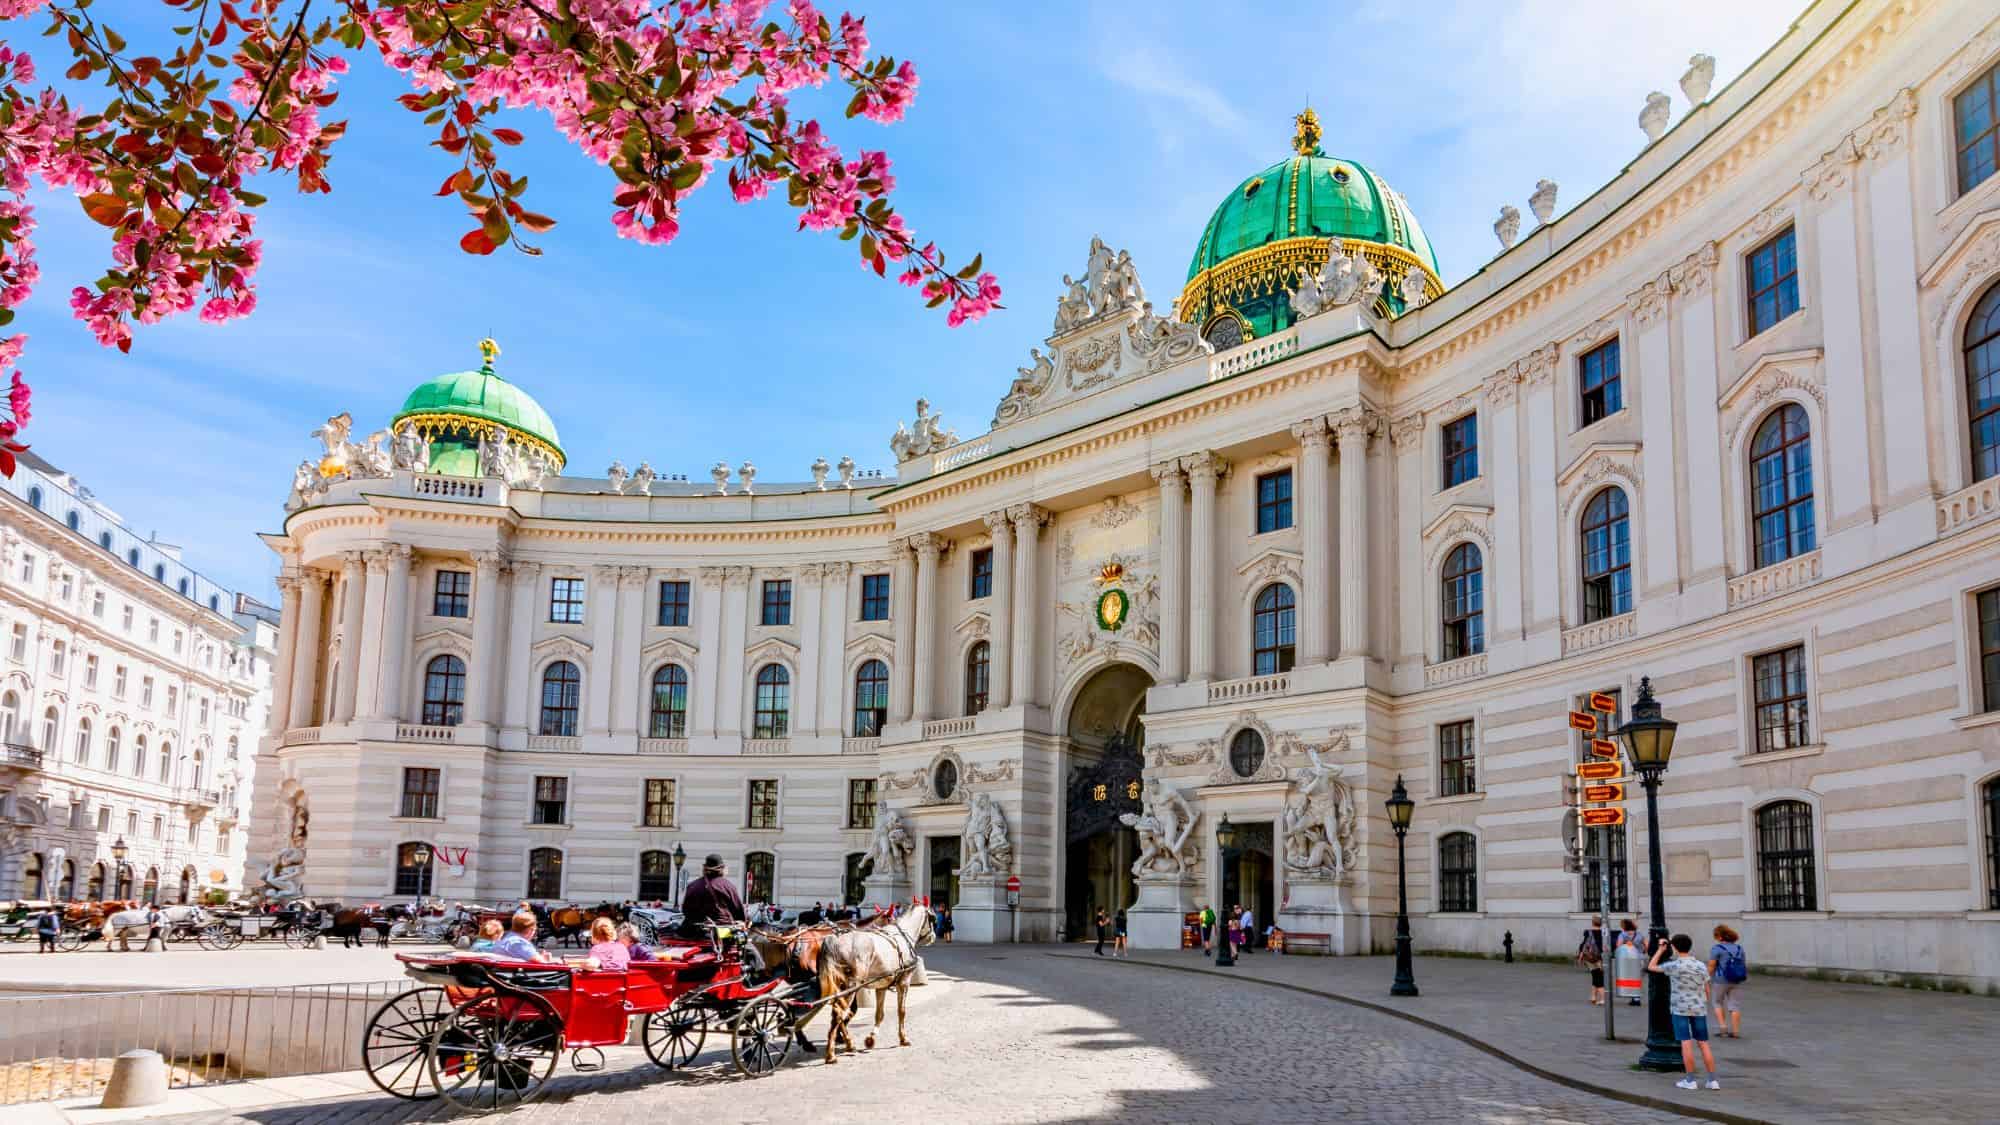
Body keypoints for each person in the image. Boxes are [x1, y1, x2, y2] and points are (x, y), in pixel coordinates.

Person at [1649, 933, 1720, 1091]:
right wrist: (1703, 1001)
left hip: (1680, 1008)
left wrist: (1661, 949)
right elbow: (1707, 988)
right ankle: (1712, 1080)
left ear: (1674, 947)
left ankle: (1690, 1080)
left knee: (1685, 1043)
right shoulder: (1700, 965)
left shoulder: (1674, 965)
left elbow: (1651, 966)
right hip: (1698, 1008)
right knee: (1703, 1043)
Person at [678, 854, 747, 939]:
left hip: (693, 933)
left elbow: (685, 910)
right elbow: (738, 912)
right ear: (722, 869)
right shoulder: (728, 886)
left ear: (705, 869)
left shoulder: (693, 885)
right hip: (721, 933)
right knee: (750, 949)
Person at [1708, 924, 1748, 1038]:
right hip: (1736, 979)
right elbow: (1743, 964)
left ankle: (1723, 1028)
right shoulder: (1739, 948)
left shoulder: (1717, 949)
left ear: (1720, 937)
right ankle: (1735, 1031)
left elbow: (1712, 966)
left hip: (1720, 980)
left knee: (1717, 1002)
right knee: (1734, 1005)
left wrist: (1705, 977)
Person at [1578, 915, 1607, 1005]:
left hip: (1590, 958)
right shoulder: (1604, 933)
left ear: (1592, 922)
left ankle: (1601, 998)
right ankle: (1594, 997)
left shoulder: (1588, 932)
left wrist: (1580, 956)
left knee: (1596, 976)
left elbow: (1584, 945)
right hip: (1601, 958)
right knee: (1598, 976)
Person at [1615, 918, 1645, 1006]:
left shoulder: (1622, 934)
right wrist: (1642, 952)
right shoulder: (1639, 934)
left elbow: (1619, 946)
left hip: (1627, 960)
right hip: (1639, 958)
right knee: (1637, 979)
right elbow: (1647, 945)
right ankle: (1636, 998)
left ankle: (1634, 997)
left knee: (1630, 978)